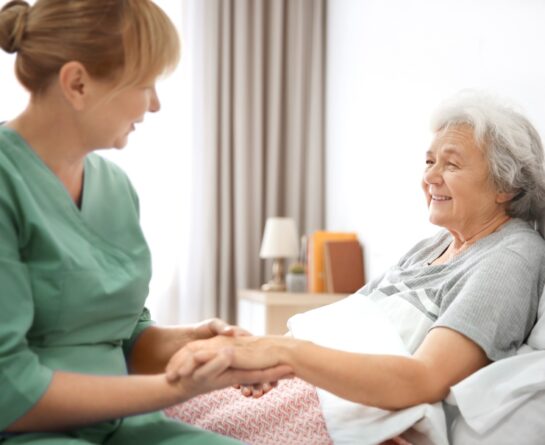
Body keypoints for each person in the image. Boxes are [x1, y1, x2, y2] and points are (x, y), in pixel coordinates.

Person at [0, 1, 290, 443]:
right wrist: (175, 388)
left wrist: (199, 346)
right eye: (146, 84)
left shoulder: (115, 188)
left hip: (124, 428)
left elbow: (124, 335)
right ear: (77, 83)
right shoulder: (7, 181)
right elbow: (9, 390)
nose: (155, 105)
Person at [167, 91, 545, 420]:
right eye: (429, 162)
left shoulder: (510, 257)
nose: (430, 177)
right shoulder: (431, 247)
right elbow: (349, 323)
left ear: (506, 186)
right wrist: (267, 361)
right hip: (311, 388)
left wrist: (282, 351)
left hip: (337, 410)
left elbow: (425, 379)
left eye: (452, 163)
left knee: (157, 415)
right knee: (165, 401)